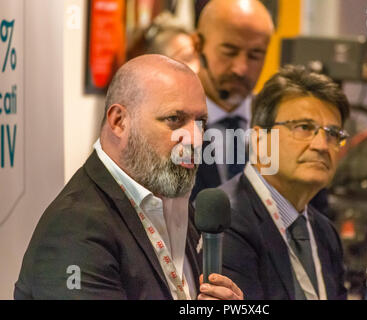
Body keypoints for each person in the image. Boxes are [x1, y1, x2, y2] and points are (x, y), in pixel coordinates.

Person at [14, 55, 243, 300]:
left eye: (201, 122)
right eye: (174, 119)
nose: (196, 139)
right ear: (119, 122)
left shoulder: (174, 203)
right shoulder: (73, 229)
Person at [220, 65, 349, 300]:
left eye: (333, 134)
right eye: (304, 128)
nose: (321, 145)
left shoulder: (325, 232)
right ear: (259, 140)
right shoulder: (226, 219)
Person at [190, 0, 274, 200]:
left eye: (255, 55)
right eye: (229, 51)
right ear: (197, 45)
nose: (241, 68)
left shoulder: (280, 128)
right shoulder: (166, 122)